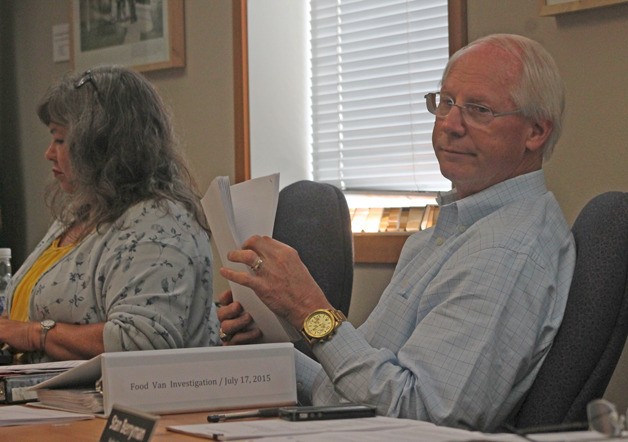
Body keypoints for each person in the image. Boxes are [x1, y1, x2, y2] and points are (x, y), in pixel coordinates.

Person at [216, 34, 576, 432]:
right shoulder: (451, 232)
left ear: (536, 132)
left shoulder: (506, 250)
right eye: (446, 102)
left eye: (478, 109)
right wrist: (268, 349)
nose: (450, 125)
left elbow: (421, 416)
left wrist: (310, 311)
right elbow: (347, 390)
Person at [0, 66, 219, 363]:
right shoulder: (81, 212)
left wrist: (32, 334)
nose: (49, 153)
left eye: (60, 140)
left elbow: (141, 341)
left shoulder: (158, 224)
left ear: (100, 145)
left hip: (113, 408)